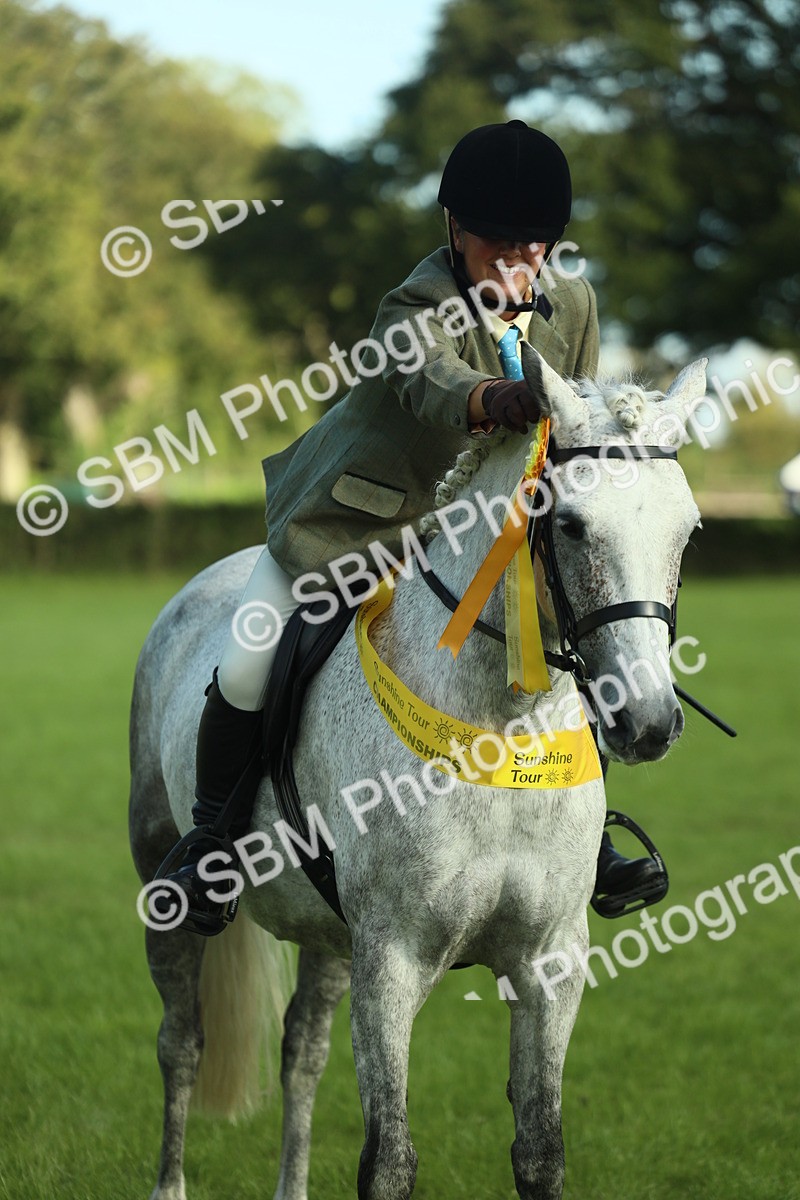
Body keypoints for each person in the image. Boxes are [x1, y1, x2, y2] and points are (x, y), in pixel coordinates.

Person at [161, 119, 667, 935]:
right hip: (356, 523)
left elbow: (576, 421)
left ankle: (590, 839)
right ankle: (211, 846)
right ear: (454, 231)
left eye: (533, 245)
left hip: (488, 539)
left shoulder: (573, 304)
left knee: (580, 649)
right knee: (251, 661)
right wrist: (492, 398)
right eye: (496, 244)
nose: (517, 263)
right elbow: (429, 381)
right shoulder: (416, 302)